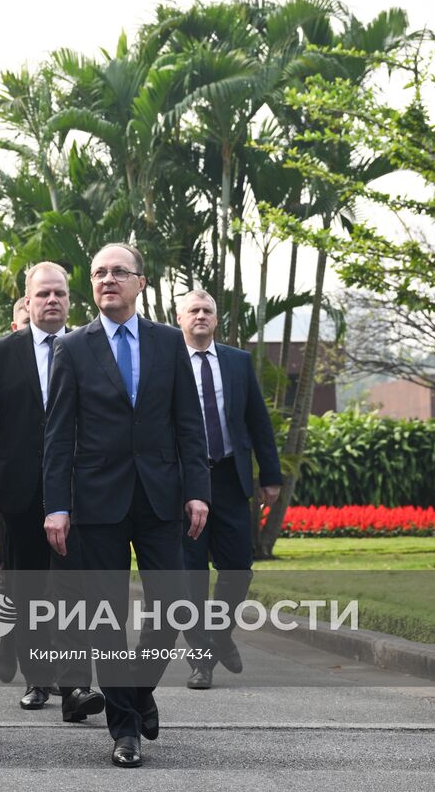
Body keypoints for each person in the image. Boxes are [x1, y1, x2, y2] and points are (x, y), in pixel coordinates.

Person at [42, 242, 210, 768]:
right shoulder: (73, 347)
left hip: (160, 496)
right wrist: (57, 505)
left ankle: (137, 691)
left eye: (119, 271)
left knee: (174, 604)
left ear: (141, 282)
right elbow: (58, 435)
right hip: (97, 500)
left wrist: (198, 489)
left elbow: (189, 423)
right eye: (99, 273)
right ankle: (125, 729)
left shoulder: (169, 342)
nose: (108, 279)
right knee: (106, 618)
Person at [0, 263, 106, 719]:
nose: (52, 300)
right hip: (19, 493)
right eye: (43, 294)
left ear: (70, 300)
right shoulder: (2, 352)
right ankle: (37, 679)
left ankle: (75, 688)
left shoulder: (90, 346)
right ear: (28, 301)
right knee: (28, 590)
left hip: (77, 491)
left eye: (59, 293)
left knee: (74, 592)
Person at [176, 290, 282, 688]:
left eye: (207, 310)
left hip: (230, 478)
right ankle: (200, 660)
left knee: (237, 567)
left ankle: (219, 636)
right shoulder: (167, 361)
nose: (201, 316)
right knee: (190, 574)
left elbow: (258, 420)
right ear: (180, 318)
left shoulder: (238, 362)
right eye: (193, 310)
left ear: (216, 319)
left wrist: (270, 475)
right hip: (184, 482)